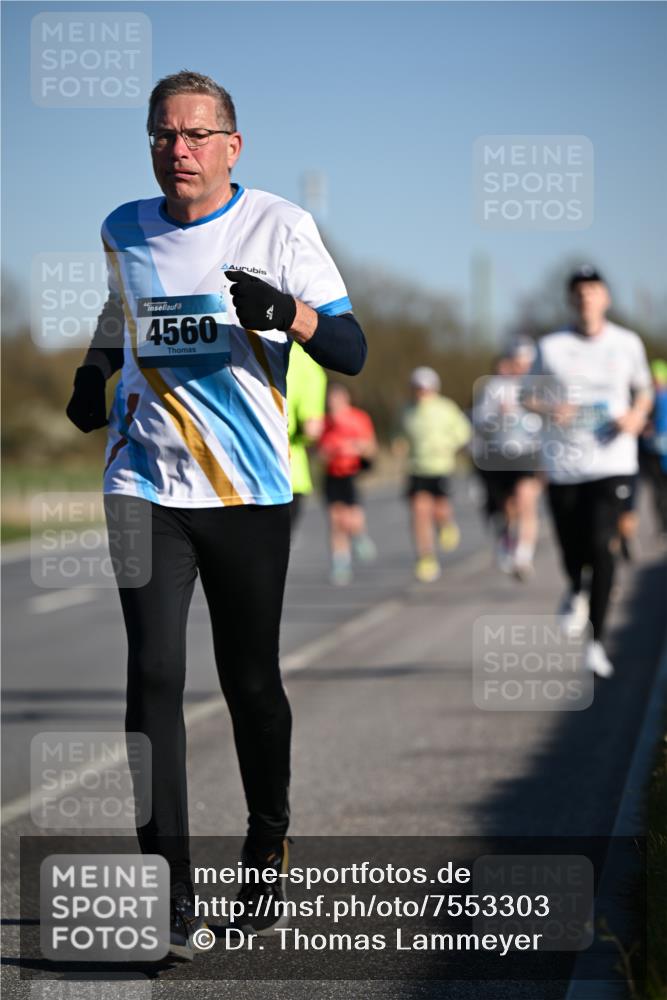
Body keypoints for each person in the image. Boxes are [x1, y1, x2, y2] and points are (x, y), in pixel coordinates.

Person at [65, 70, 366, 958]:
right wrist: (94, 372)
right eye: (163, 135)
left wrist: (288, 312)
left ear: (233, 145)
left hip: (247, 491)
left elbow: (349, 346)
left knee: (250, 687)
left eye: (196, 135)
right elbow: (122, 313)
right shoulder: (125, 225)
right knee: (152, 676)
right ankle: (168, 897)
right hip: (144, 483)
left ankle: (267, 840)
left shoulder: (279, 225)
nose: (179, 150)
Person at [525, 266, 653, 678]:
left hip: (613, 461)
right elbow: (527, 395)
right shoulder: (551, 346)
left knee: (602, 545)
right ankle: (575, 587)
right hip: (565, 463)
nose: (586, 298)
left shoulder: (627, 342)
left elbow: (645, 388)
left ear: (605, 298)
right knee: (571, 548)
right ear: (570, 300)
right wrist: (549, 408)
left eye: (593, 291)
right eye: (579, 292)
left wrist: (636, 415)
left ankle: (596, 643)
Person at [472, 341, 543, 579]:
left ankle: (523, 557)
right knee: (508, 508)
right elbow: (479, 421)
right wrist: (496, 416)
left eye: (527, 363)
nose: (523, 367)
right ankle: (507, 540)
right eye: (519, 362)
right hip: (500, 453)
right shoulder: (494, 386)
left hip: (529, 451)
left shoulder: (539, 387)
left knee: (526, 501)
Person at [398, 366, 471, 582]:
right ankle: (426, 558)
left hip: (441, 467)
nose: (421, 392)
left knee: (439, 510)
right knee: (420, 512)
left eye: (425, 388)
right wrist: (398, 445)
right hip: (416, 468)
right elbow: (399, 434)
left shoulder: (446, 408)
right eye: (417, 388)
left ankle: (446, 524)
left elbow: (463, 433)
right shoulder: (406, 411)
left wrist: (447, 446)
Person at [318, 383, 377, 585]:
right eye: (331, 399)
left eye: (338, 398)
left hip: (351, 473)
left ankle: (359, 536)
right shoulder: (325, 422)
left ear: (346, 399)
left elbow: (370, 447)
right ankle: (340, 563)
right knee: (335, 521)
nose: (333, 403)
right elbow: (320, 452)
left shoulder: (358, 418)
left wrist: (354, 447)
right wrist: (330, 451)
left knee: (351, 520)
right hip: (332, 474)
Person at [286, 342, 327, 532]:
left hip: (227, 470)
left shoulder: (234, 342)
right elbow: (312, 428)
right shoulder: (303, 359)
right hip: (287, 473)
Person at [639, 359, 667, 540]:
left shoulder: (656, 398)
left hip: (658, 452)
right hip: (655, 453)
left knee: (660, 491)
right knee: (659, 491)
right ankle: (664, 525)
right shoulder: (650, 398)